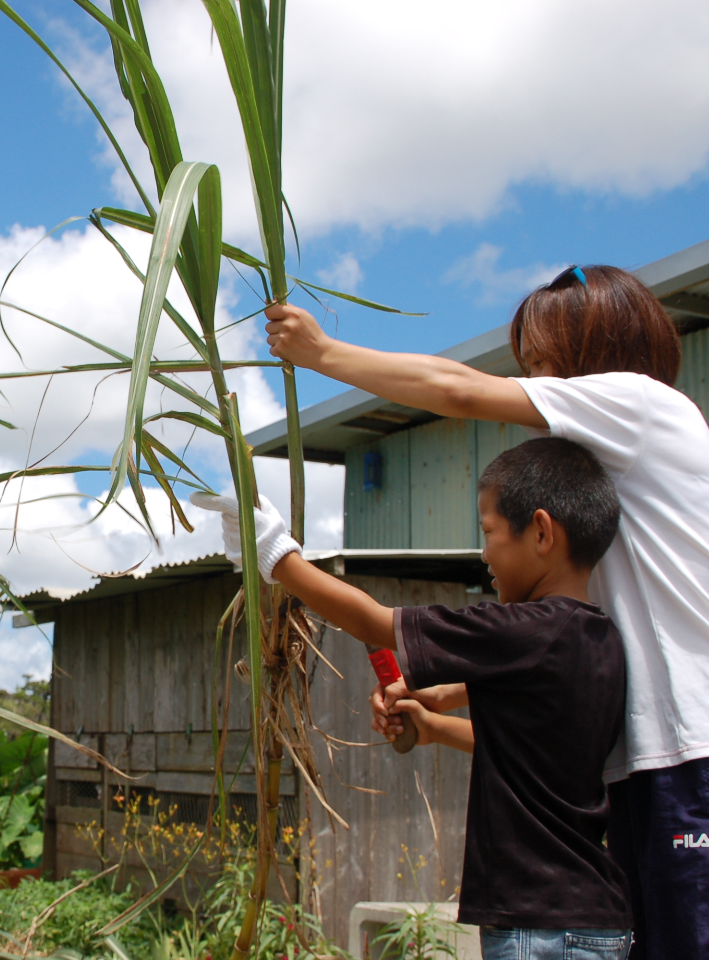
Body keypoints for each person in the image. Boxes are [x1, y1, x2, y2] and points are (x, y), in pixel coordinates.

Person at [264, 265, 709, 960]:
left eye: (541, 363)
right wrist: (452, 700)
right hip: (646, 770)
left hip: (689, 760)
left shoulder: (640, 404)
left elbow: (456, 390)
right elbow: (557, 687)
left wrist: (321, 354)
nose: (534, 383)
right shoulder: (599, 534)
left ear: (596, 347)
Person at [194, 435, 632, 959]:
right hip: (594, 918)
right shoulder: (600, 638)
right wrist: (429, 723)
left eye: (489, 533)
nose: (485, 553)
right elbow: (523, 746)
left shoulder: (523, 628)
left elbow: (374, 622)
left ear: (540, 531)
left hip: (538, 925)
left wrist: (275, 554)